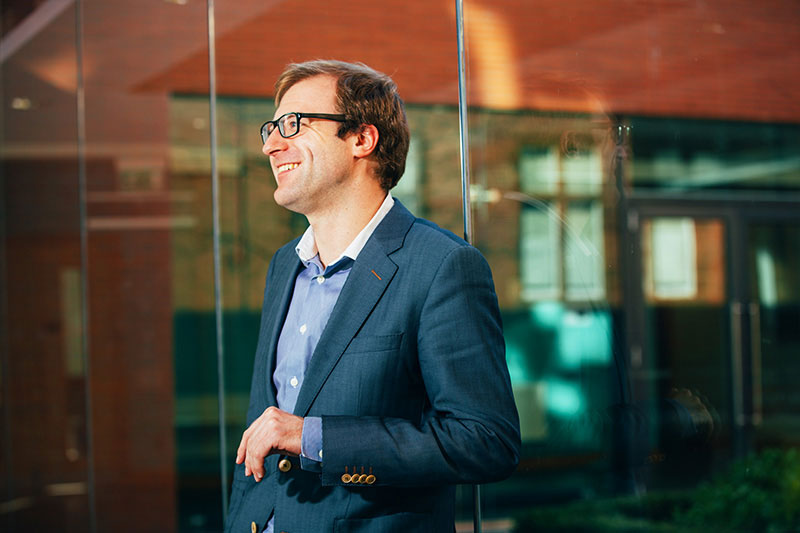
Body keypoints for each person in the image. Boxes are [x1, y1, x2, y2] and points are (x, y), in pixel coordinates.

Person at [225, 59, 520, 533]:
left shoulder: (441, 265)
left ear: (362, 138)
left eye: (294, 124)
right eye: (272, 127)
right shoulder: (284, 265)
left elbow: (485, 441)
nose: (271, 145)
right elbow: (261, 440)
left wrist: (311, 437)